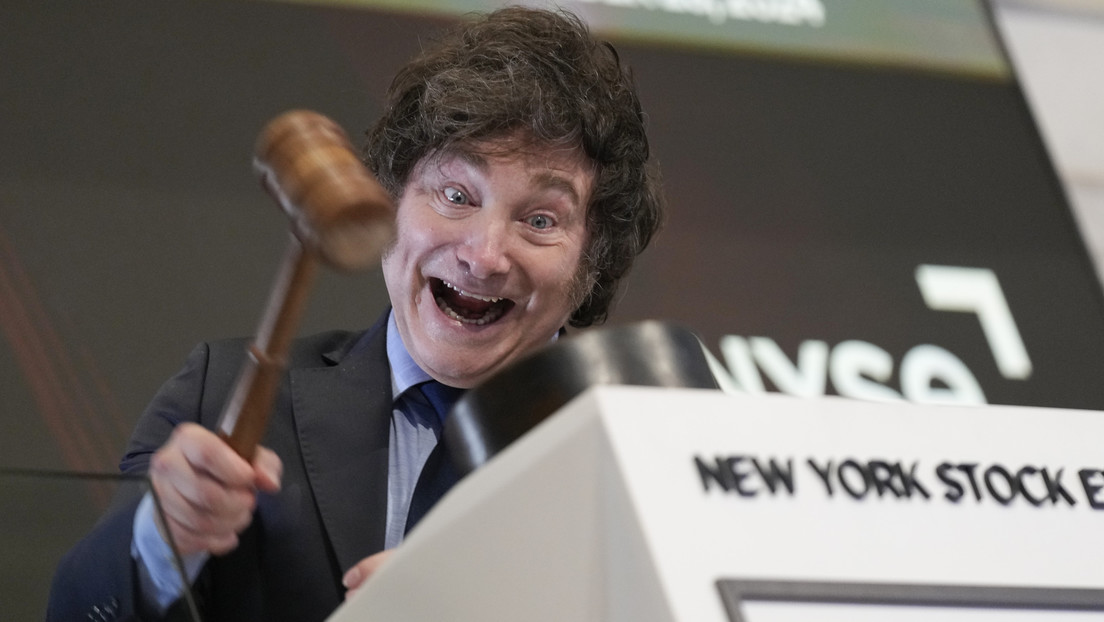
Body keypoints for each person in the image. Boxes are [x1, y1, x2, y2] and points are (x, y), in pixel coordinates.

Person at [47, 6, 663, 621]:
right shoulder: (222, 395)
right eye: (455, 195)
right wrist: (163, 541)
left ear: (592, 258)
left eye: (540, 220)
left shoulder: (653, 449)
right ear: (392, 198)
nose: (484, 255)